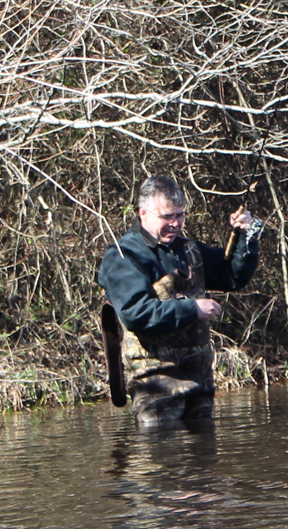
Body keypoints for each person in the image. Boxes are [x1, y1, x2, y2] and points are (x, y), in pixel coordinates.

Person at [98, 175, 260, 424]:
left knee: (203, 457)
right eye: (167, 217)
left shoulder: (188, 249)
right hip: (155, 386)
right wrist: (192, 308)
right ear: (143, 214)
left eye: (180, 215)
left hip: (200, 382)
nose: (175, 224)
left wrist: (244, 237)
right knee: (159, 458)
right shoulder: (123, 256)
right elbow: (135, 313)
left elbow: (231, 277)